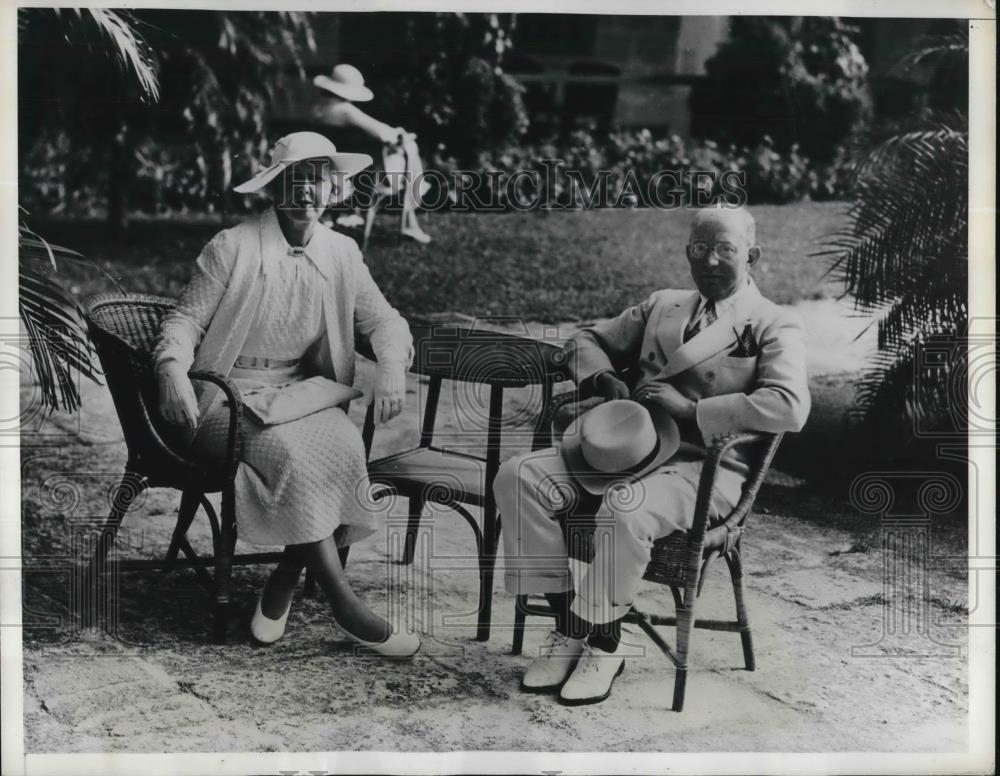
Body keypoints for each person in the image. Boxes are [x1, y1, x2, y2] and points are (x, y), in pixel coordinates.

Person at [493, 206, 810, 704]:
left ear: (752, 256)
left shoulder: (771, 323)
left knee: (624, 507)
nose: (710, 260)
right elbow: (585, 341)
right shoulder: (663, 306)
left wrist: (693, 408)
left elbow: (790, 406)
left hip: (706, 466)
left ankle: (605, 642)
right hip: (634, 450)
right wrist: (603, 380)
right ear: (687, 252)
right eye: (700, 248)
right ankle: (568, 624)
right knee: (519, 476)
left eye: (725, 249)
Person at [153, 131, 420, 657]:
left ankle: (282, 582)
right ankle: (347, 607)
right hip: (226, 397)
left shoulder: (341, 252)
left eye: (316, 182)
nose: (305, 194)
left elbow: (385, 320)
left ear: (333, 189)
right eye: (293, 182)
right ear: (273, 189)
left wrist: (391, 364)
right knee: (295, 457)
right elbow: (183, 321)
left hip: (300, 394)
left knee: (344, 446)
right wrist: (170, 368)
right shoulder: (232, 246)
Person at [312, 63, 431, 244]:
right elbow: (382, 133)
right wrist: (401, 134)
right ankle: (409, 221)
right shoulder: (347, 111)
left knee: (405, 150)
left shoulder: (318, 110)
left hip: (329, 168)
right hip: (361, 177)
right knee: (409, 148)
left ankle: (409, 220)